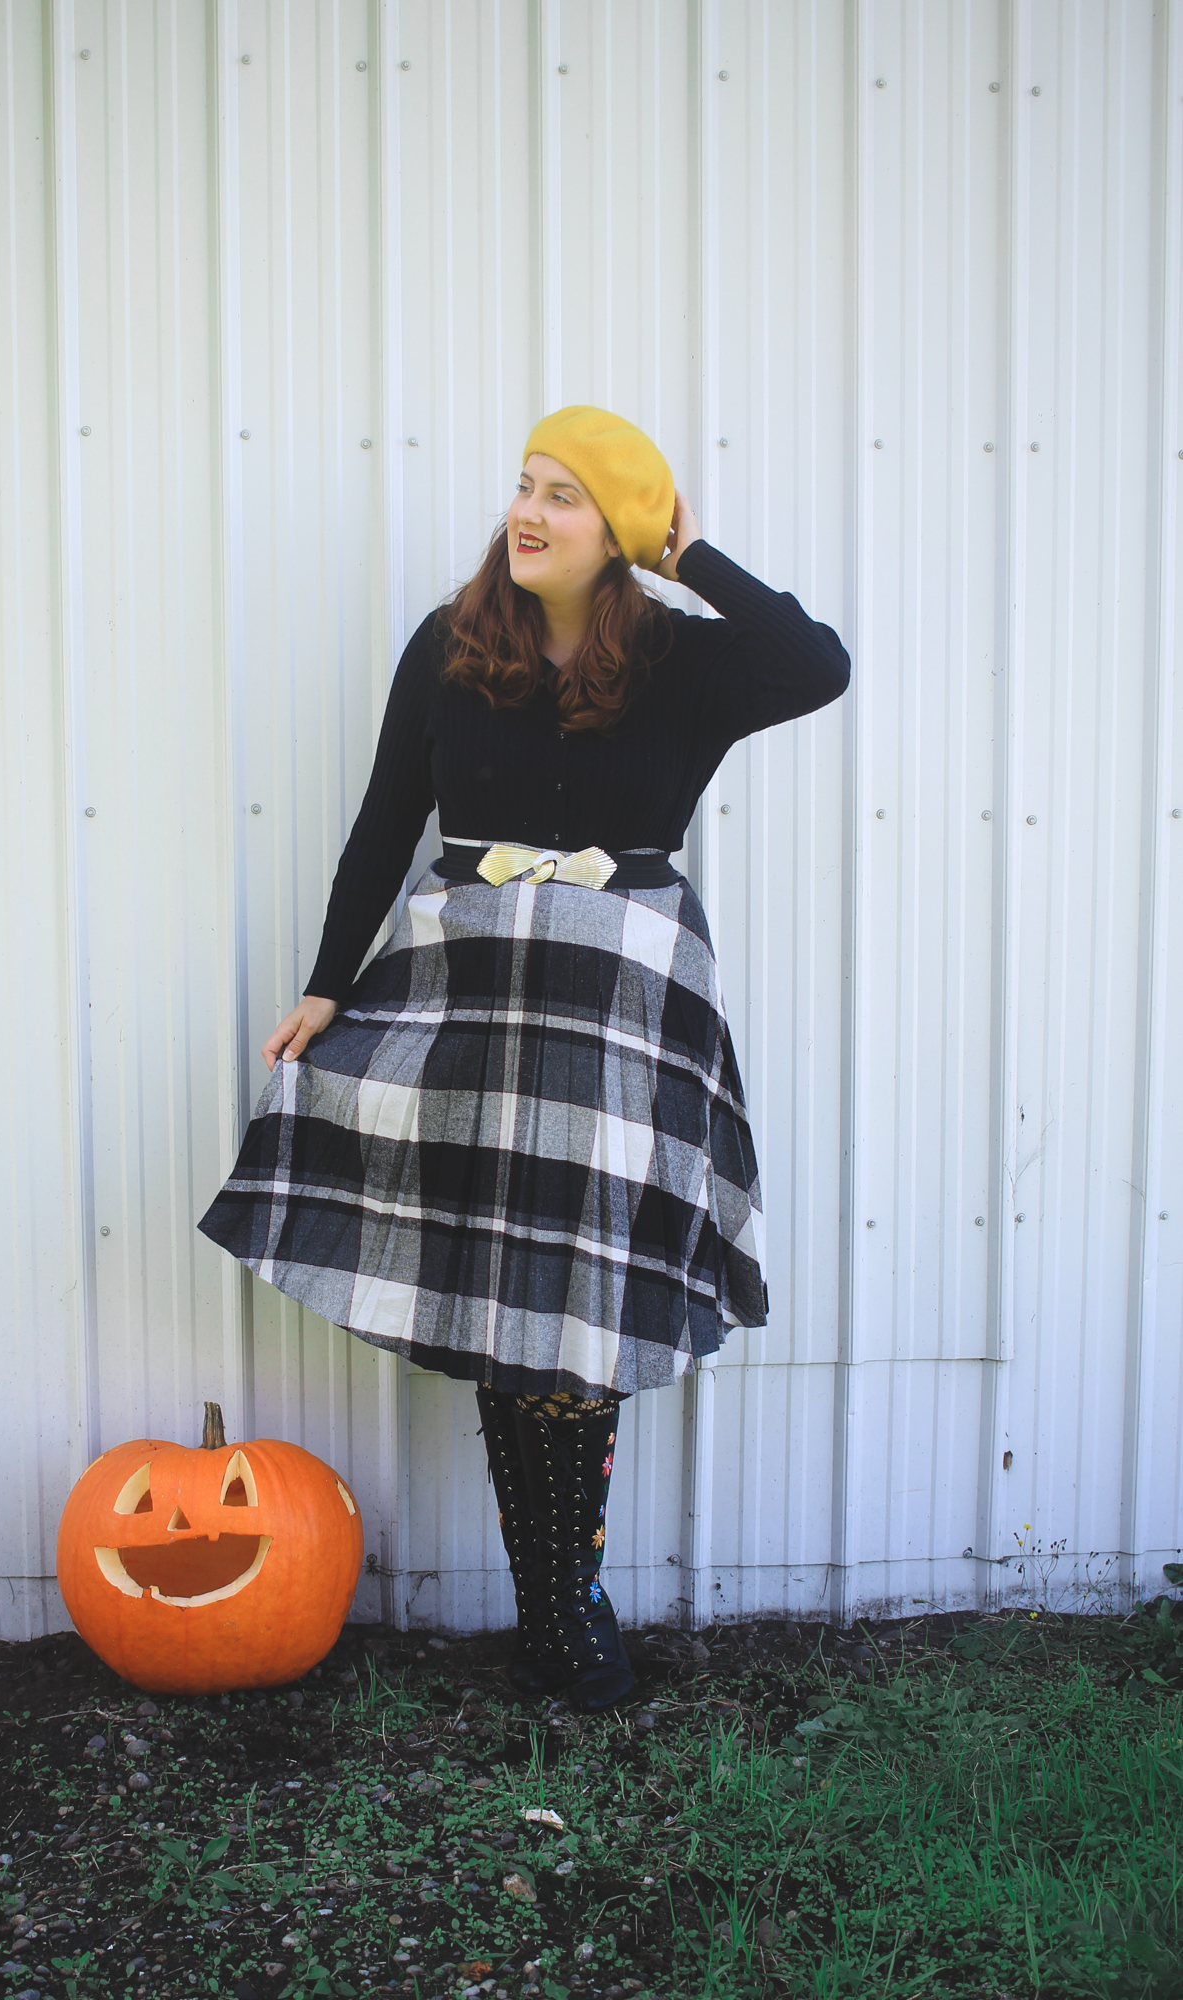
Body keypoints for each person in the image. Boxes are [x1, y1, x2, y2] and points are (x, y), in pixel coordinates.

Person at [198, 405, 851, 1712]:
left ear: (620, 534)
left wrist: (691, 552)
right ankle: (558, 1612)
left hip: (620, 997)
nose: (528, 512)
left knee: (577, 1311)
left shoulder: (679, 658)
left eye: (564, 495)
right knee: (516, 1304)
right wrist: (330, 986)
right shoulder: (451, 650)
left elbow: (814, 663)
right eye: (523, 485)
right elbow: (386, 822)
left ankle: (561, 1602)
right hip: (473, 990)